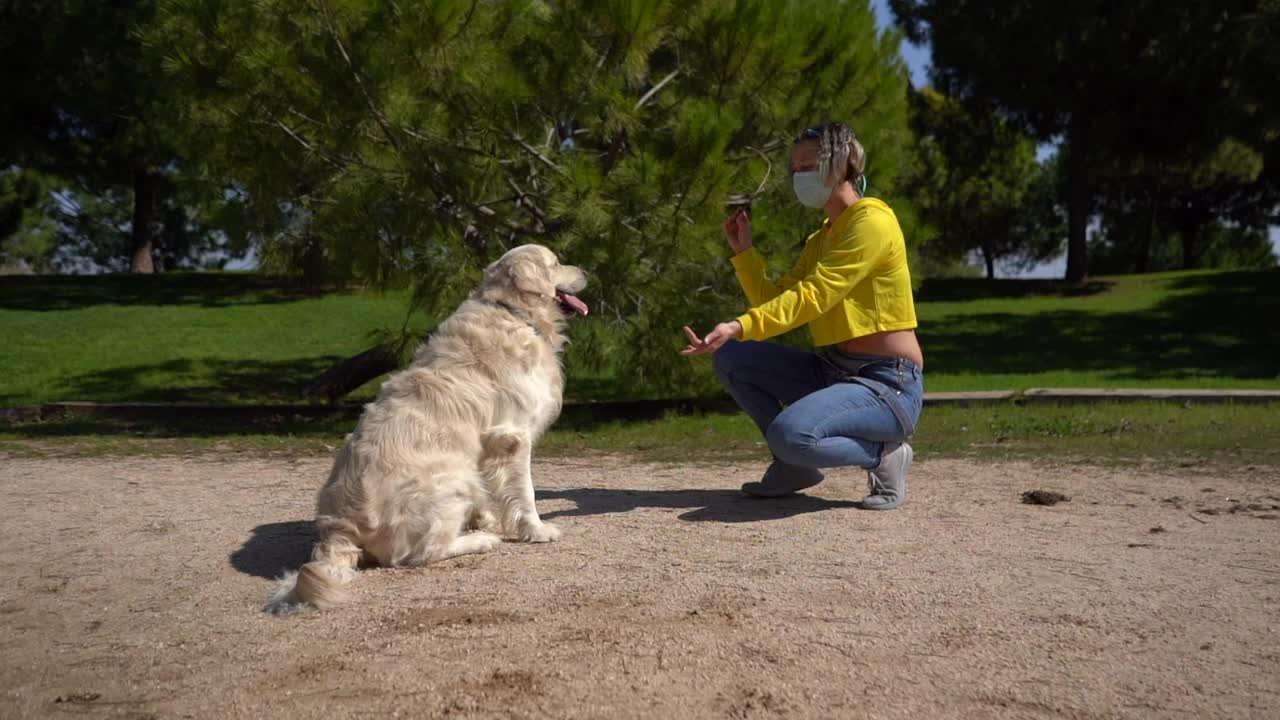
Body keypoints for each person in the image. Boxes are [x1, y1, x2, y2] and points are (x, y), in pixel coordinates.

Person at [680, 122, 924, 510]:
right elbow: (779, 297)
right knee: (732, 357)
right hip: (831, 371)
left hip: (886, 383)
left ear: (842, 164)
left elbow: (816, 295)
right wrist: (745, 254)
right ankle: (793, 469)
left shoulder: (873, 221)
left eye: (808, 164)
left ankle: (884, 455)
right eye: (795, 168)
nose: (799, 175)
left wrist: (740, 325)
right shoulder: (823, 237)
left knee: (791, 435)